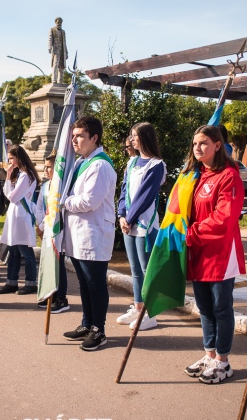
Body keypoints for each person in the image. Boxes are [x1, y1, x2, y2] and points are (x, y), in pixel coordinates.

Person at [182, 125, 246, 384]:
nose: (198, 148)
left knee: (221, 308)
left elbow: (224, 218)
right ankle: (209, 355)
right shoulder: (196, 176)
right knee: (205, 308)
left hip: (221, 252)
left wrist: (191, 232)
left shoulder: (229, 176)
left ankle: (223, 361)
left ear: (217, 145)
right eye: (195, 144)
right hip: (199, 250)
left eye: (204, 143)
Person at [61, 116, 117, 351]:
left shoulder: (100, 165)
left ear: (94, 138)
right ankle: (87, 323)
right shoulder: (81, 162)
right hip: (78, 233)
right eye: (73, 136)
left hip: (93, 233)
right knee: (83, 282)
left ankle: (99, 329)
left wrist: (63, 201)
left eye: (80, 136)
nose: (75, 140)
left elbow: (89, 201)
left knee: (95, 284)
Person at [116, 122, 167, 331]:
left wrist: (130, 217)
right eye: (132, 135)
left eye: (135, 136)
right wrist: (121, 214)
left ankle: (150, 313)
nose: (132, 139)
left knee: (147, 270)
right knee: (135, 270)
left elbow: (145, 196)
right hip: (129, 223)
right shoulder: (131, 163)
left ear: (145, 137)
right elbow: (124, 190)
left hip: (144, 224)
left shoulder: (156, 165)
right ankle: (138, 308)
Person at [0, 145, 40, 297]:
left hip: (21, 216)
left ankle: (30, 283)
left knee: (25, 251)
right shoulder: (20, 173)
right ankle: (11, 282)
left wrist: (8, 180)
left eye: (11, 158)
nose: (9, 162)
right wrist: (8, 177)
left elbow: (13, 197)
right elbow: (8, 194)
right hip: (15, 215)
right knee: (13, 251)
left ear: (19, 157)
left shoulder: (27, 175)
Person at [34, 153, 69, 313]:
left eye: (49, 167)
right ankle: (51, 295)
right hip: (45, 228)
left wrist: (44, 224)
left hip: (56, 230)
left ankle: (61, 298)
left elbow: (55, 210)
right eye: (45, 166)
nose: (45, 170)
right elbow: (40, 206)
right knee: (48, 262)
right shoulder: (45, 185)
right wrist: (40, 225)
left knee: (58, 264)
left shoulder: (60, 186)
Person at [48, 17, 68, 84]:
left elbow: (64, 42)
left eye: (60, 22)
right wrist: (49, 47)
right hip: (56, 50)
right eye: (58, 22)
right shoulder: (52, 30)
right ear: (55, 22)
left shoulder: (63, 32)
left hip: (62, 51)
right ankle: (54, 79)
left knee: (62, 66)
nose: (59, 23)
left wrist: (67, 52)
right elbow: (50, 39)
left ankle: (60, 81)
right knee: (55, 64)